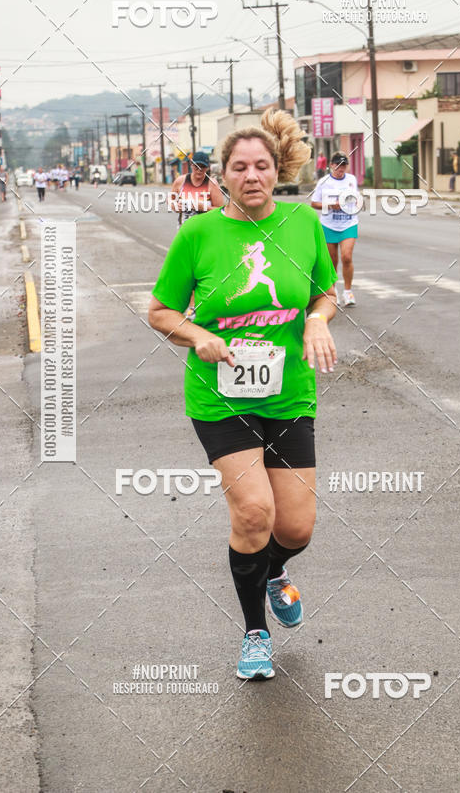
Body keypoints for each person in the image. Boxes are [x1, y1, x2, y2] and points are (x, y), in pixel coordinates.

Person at [149, 109, 338, 680]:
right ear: (223, 175)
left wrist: (316, 321)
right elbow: (160, 311)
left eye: (261, 166)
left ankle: (274, 570)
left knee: (295, 528)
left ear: (277, 170)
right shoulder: (198, 234)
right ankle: (256, 633)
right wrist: (198, 335)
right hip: (220, 397)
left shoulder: (303, 224)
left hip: (289, 393)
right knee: (255, 512)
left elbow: (324, 293)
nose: (251, 175)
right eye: (239, 167)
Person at [310, 151, 360, 306]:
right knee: (332, 261)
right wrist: (331, 205)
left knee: (346, 257)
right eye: (338, 165)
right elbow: (314, 203)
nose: (341, 168)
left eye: (344, 165)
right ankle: (333, 291)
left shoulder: (351, 180)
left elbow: (356, 198)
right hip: (329, 225)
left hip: (349, 223)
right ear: (331, 165)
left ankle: (348, 292)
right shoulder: (324, 182)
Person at [169, 151, 225, 228]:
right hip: (184, 230)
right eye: (196, 166)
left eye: (203, 166)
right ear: (191, 165)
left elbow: (221, 211)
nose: (199, 170)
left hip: (206, 231)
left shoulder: (212, 184)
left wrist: (204, 207)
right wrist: (173, 205)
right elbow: (170, 198)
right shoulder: (181, 181)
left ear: (207, 167)